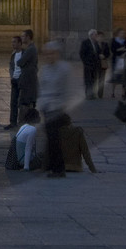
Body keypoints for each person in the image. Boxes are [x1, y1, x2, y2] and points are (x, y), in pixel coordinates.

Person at [38, 42, 76, 177]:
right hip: (47, 107)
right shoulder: (44, 69)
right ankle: (49, 165)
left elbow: (68, 90)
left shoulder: (64, 69)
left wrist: (62, 105)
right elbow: (42, 87)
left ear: (57, 53)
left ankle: (58, 169)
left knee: (54, 139)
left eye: (51, 53)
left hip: (58, 108)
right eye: (46, 54)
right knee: (50, 138)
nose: (48, 56)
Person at [79, 29, 106, 100]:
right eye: (95, 35)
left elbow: (99, 52)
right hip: (88, 65)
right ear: (91, 35)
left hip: (95, 65)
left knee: (94, 80)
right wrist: (85, 62)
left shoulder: (96, 43)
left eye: (96, 34)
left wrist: (101, 55)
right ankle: (88, 94)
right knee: (88, 80)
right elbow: (82, 53)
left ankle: (92, 94)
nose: (96, 36)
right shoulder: (85, 42)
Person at [6, 34, 25, 126]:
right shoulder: (13, 54)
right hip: (14, 80)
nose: (12, 44)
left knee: (21, 102)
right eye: (12, 42)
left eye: (14, 42)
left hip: (21, 81)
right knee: (13, 101)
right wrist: (12, 76)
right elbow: (11, 66)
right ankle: (12, 122)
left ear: (19, 43)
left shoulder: (24, 54)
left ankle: (21, 121)